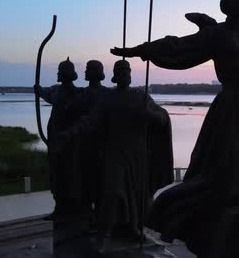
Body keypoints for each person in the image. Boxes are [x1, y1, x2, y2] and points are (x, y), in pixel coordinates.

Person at [110, 0, 239, 256]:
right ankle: (180, 217)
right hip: (230, 108)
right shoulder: (216, 35)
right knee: (223, 169)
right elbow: (177, 47)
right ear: (225, 3)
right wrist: (142, 50)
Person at [66, 60, 173, 252]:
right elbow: (91, 121)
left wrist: (149, 113)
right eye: (121, 71)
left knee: (137, 196)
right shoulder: (107, 98)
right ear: (115, 75)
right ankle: (104, 233)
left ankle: (133, 228)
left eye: (127, 71)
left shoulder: (141, 96)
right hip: (114, 152)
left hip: (137, 155)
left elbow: (162, 118)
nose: (125, 74)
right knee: (112, 193)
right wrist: (71, 133)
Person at [34, 57, 82, 220]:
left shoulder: (78, 94)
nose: (60, 75)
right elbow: (46, 93)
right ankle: (59, 207)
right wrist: (38, 90)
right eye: (60, 72)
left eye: (63, 73)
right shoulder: (55, 90)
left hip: (70, 142)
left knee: (70, 174)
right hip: (55, 139)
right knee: (56, 175)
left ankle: (73, 208)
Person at [71, 60, 108, 221]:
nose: (85, 72)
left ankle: (100, 214)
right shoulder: (81, 94)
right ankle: (85, 214)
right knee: (83, 180)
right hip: (83, 144)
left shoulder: (107, 94)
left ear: (96, 72)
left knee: (101, 182)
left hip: (102, 145)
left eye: (88, 69)